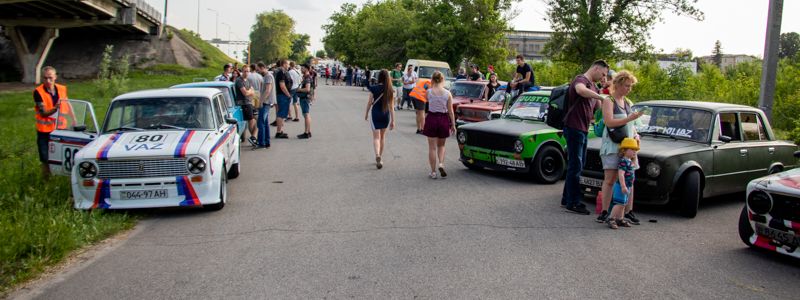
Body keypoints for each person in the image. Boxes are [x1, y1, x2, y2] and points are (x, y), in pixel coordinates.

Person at [561, 60, 610, 215]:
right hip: (574, 127)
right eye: (602, 74)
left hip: (582, 128)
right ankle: (573, 202)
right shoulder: (581, 80)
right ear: (595, 68)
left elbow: (597, 109)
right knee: (576, 165)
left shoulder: (594, 86)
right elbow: (581, 91)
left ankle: (566, 198)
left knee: (577, 165)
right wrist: (601, 97)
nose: (603, 76)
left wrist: (604, 90)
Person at [596, 70, 643, 224]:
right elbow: (609, 122)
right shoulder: (608, 100)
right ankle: (604, 211)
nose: (628, 89)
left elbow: (633, 125)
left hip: (628, 147)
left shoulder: (628, 102)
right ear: (617, 84)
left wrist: (636, 135)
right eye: (626, 86)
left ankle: (627, 211)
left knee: (630, 178)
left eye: (630, 86)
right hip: (612, 145)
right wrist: (629, 118)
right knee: (610, 179)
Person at [33, 66, 70, 178]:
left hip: (60, 128)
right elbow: (43, 113)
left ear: (55, 77)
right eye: (45, 78)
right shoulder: (38, 92)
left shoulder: (62, 89)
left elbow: (69, 105)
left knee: (61, 155)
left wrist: (74, 122)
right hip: (45, 131)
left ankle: (63, 177)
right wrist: (55, 108)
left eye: (50, 78)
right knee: (45, 158)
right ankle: (46, 181)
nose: (48, 81)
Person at [423, 71, 456, 179]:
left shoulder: (429, 92)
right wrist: (453, 125)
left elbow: (427, 106)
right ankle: (441, 163)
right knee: (441, 145)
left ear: (432, 79)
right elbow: (451, 111)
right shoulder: (448, 93)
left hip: (432, 118)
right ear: (442, 80)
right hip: (443, 119)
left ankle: (433, 172)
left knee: (432, 148)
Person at [364, 69, 396, 169]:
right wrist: (393, 120)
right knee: (382, 137)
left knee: (376, 137)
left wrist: (366, 113)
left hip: (375, 114)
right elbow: (391, 107)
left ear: (379, 77)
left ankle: (377, 154)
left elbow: (370, 102)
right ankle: (380, 158)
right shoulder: (390, 89)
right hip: (385, 115)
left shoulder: (374, 88)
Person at [606, 137, 639, 229]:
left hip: (627, 186)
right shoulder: (623, 161)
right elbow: (621, 174)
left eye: (635, 150)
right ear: (624, 150)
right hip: (621, 186)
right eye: (632, 149)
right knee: (619, 203)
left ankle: (620, 219)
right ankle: (611, 218)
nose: (634, 152)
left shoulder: (629, 161)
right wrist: (623, 186)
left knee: (623, 204)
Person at [235, 65, 258, 146]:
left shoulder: (248, 80)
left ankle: (253, 137)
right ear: (242, 71)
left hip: (249, 102)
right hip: (243, 103)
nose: (246, 73)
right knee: (252, 120)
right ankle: (253, 138)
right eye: (245, 71)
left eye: (248, 71)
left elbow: (253, 92)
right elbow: (245, 93)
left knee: (256, 120)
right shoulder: (239, 80)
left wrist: (250, 92)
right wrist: (250, 91)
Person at [256, 62, 274, 148]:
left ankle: (261, 142)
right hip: (266, 102)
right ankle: (266, 141)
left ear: (262, 67)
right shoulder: (267, 76)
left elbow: (268, 90)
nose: (258, 71)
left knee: (261, 122)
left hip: (265, 102)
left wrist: (261, 101)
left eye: (258, 69)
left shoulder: (268, 76)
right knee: (265, 122)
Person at [274, 59, 293, 139]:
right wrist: (288, 94)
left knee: (283, 113)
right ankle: (278, 132)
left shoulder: (285, 72)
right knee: (281, 113)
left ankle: (280, 130)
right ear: (284, 64)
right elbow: (282, 85)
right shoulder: (281, 73)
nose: (288, 65)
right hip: (282, 95)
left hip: (284, 95)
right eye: (288, 64)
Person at [296, 65, 314, 139]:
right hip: (306, 98)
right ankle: (308, 131)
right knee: (306, 115)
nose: (301, 69)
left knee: (306, 115)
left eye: (302, 68)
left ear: (306, 69)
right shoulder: (307, 77)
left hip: (305, 98)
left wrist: (299, 90)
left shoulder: (307, 78)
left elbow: (307, 89)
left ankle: (306, 133)